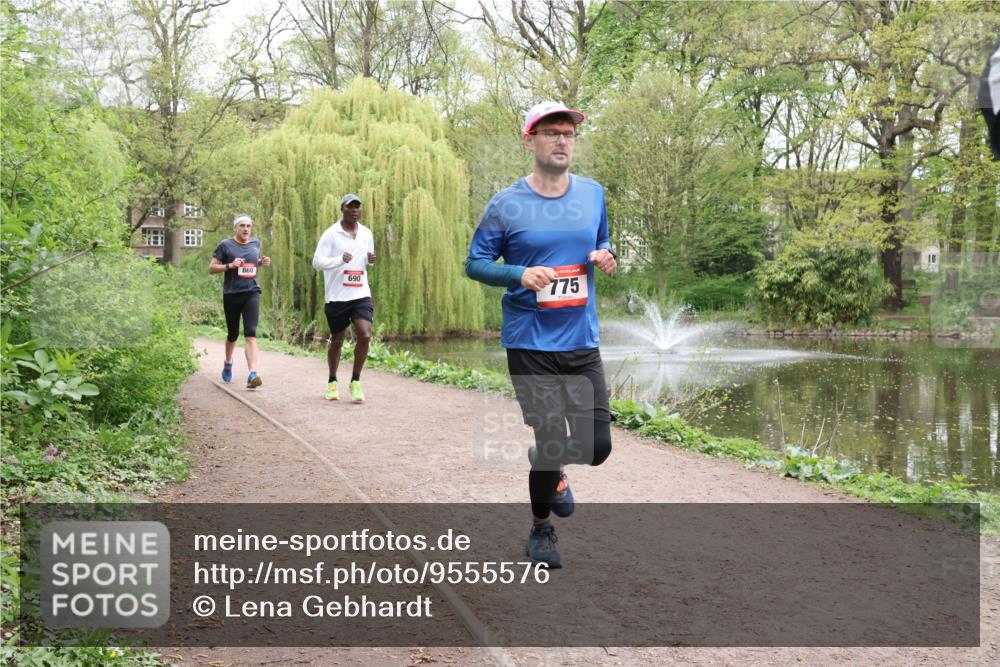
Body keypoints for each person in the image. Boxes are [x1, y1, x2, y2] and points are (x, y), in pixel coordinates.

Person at [465, 101, 617, 568]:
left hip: (581, 339)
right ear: (529, 140)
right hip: (530, 342)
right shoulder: (506, 203)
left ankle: (550, 464)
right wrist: (519, 274)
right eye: (550, 132)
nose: (561, 140)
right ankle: (541, 529)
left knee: (599, 447)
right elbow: (475, 264)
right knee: (552, 438)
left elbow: (602, 241)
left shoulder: (592, 194)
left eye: (568, 133)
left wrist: (605, 256)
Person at [312, 194, 377, 403]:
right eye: (351, 207)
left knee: (365, 334)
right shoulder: (331, 234)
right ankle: (332, 381)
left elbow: (367, 259)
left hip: (360, 293)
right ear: (343, 209)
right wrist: (339, 260)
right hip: (337, 296)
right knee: (337, 340)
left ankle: (355, 381)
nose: (355, 210)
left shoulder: (366, 233)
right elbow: (317, 262)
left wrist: (371, 260)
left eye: (358, 207)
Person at [209, 214, 271, 388]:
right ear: (235, 228)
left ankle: (252, 374)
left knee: (250, 333)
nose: (245, 229)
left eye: (248, 226)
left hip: (251, 292)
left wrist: (260, 262)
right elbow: (211, 268)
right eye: (242, 226)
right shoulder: (225, 245)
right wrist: (229, 265)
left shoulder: (255, 243)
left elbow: (249, 265)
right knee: (233, 334)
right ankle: (228, 362)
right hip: (231, 294)